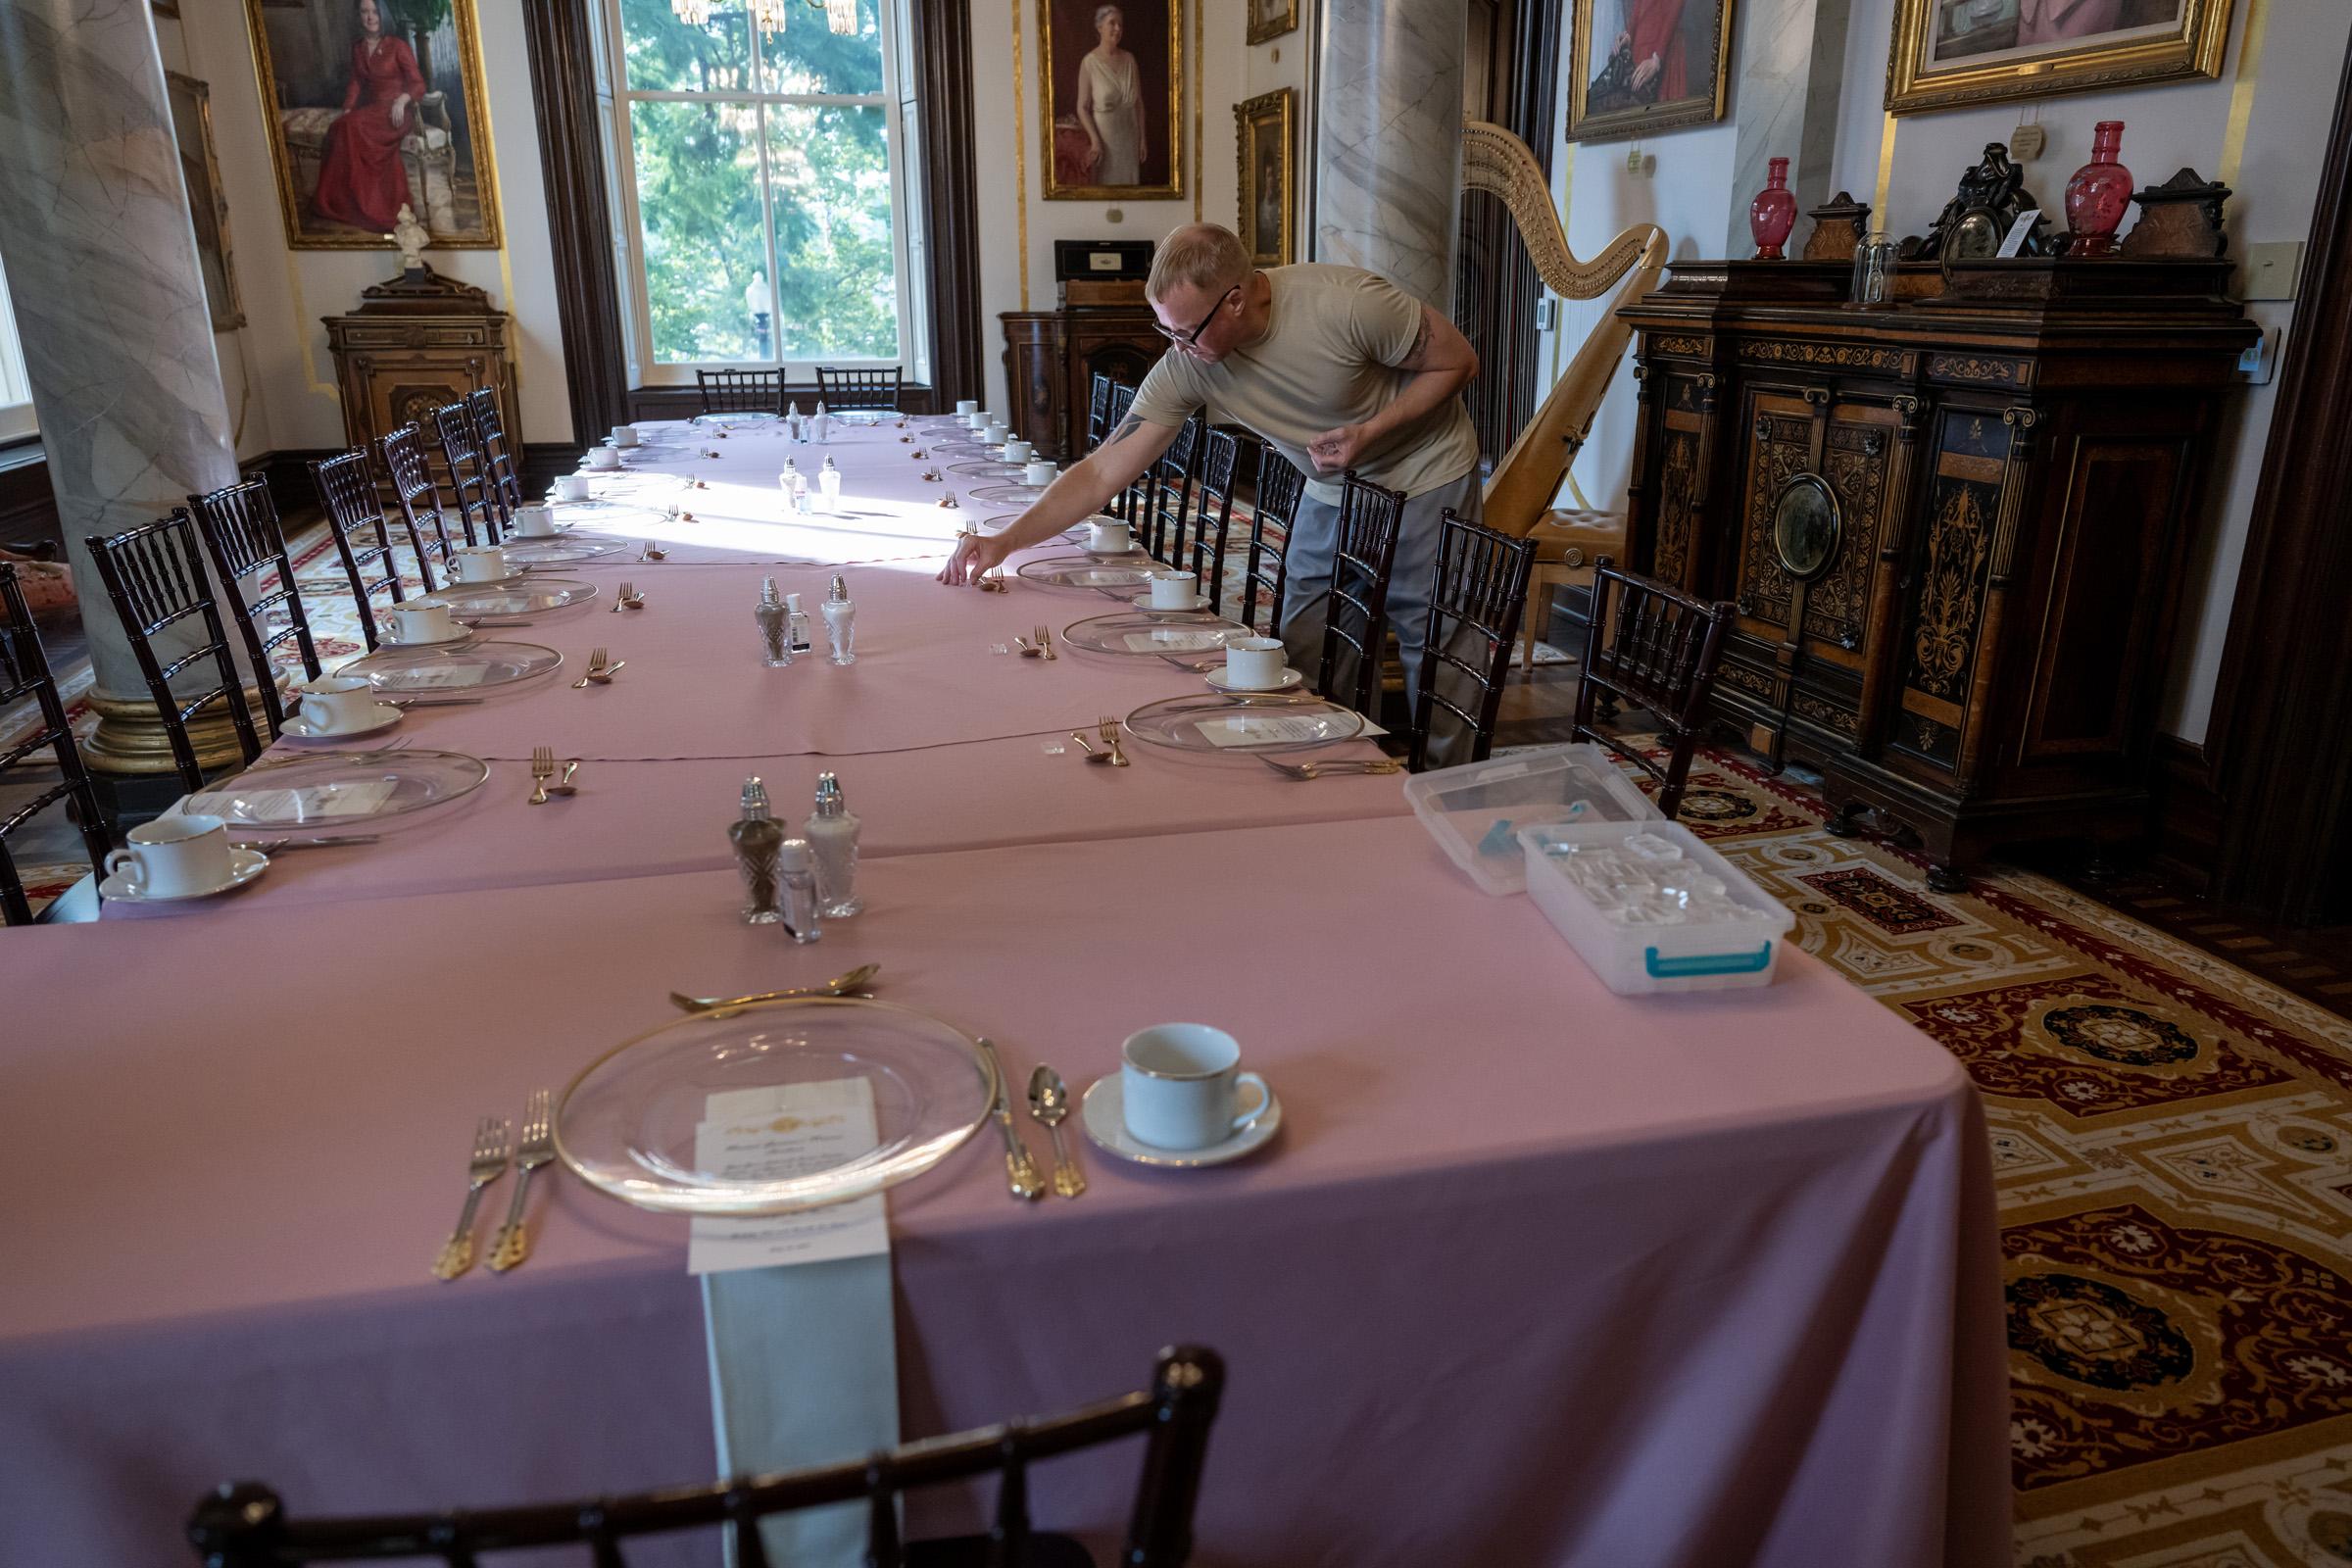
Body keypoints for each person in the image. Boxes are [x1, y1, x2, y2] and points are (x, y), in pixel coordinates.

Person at [939, 222, 1480, 696]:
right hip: (1332, 486)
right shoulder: (1190, 360)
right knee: (1304, 644)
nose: (1177, 346)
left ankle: (1445, 790)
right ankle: (1334, 768)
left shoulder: (1350, 303)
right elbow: (1104, 469)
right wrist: (1006, 540)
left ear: (1237, 300)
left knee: (1431, 641)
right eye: (1165, 329)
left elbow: (1457, 361)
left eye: (1186, 330)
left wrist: (1372, 430)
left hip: (1424, 472)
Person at [313, 0, 424, 235]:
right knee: (340, 126)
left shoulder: (397, 46)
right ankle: (350, 200)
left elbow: (418, 84)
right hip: (374, 111)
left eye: (374, 11)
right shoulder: (358, 48)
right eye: (364, 12)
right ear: (359, 16)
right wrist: (348, 108)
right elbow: (356, 82)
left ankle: (375, 205)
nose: (370, 17)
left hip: (396, 113)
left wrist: (403, 100)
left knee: (351, 127)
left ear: (382, 14)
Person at [1074, 5, 1145, 186]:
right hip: (1105, 142)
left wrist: (1143, 138)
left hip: (1130, 139)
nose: (1117, 29)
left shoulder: (1130, 59)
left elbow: (1138, 103)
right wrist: (1095, 140)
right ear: (1099, 27)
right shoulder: (1089, 63)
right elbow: (1082, 107)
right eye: (1112, 23)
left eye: (1120, 24)